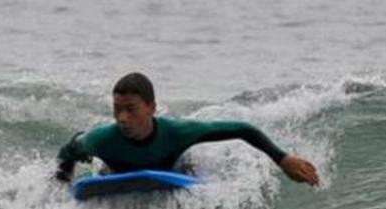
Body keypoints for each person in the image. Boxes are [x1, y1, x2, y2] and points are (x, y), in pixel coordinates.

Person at [54, 72, 320, 186]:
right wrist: (64, 181)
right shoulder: (102, 139)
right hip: (118, 173)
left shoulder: (178, 132)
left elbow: (242, 129)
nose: (122, 118)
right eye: (117, 109)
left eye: (131, 109)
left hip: (172, 170)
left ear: (151, 108)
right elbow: (70, 148)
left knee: (190, 165)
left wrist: (283, 159)